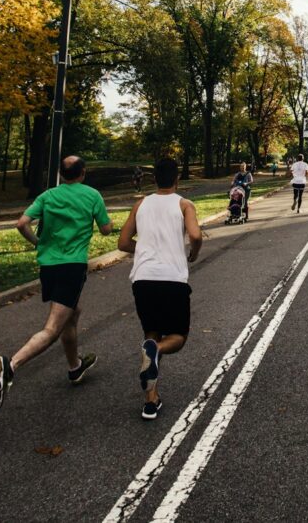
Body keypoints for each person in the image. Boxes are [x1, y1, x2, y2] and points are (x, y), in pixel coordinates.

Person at [0, 156, 113, 411]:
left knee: (72, 314)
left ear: (61, 174)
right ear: (83, 172)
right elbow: (106, 230)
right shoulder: (92, 195)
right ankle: (10, 366)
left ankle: (74, 367)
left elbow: (22, 223)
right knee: (53, 327)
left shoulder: (48, 196)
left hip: (48, 266)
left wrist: (38, 243)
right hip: (72, 266)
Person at [117, 157, 202, 420]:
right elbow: (196, 235)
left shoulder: (140, 204)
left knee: (151, 334)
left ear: (154, 179)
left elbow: (122, 242)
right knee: (177, 336)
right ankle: (158, 352)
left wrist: (142, 250)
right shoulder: (184, 204)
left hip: (143, 279)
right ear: (177, 179)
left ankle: (150, 401)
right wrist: (194, 253)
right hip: (172, 278)